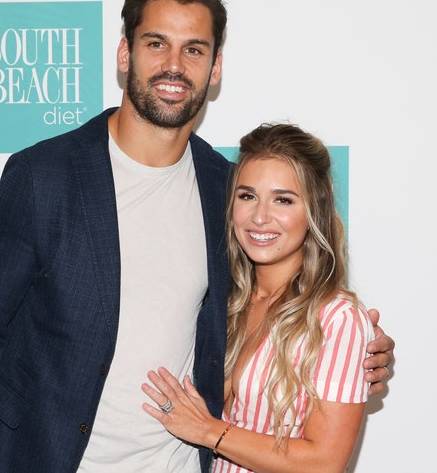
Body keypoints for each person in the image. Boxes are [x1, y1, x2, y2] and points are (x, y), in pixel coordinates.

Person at [0, 0, 394, 473]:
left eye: (194, 49)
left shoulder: (226, 190)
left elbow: (273, 305)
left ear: (215, 67)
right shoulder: (42, 177)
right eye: (156, 44)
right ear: (124, 53)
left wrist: (354, 353)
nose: (174, 66)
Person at [142, 123, 373, 473]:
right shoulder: (223, 302)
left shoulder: (336, 318)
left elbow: (325, 462)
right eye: (247, 196)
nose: (260, 217)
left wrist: (208, 430)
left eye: (283, 199)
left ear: (314, 211)